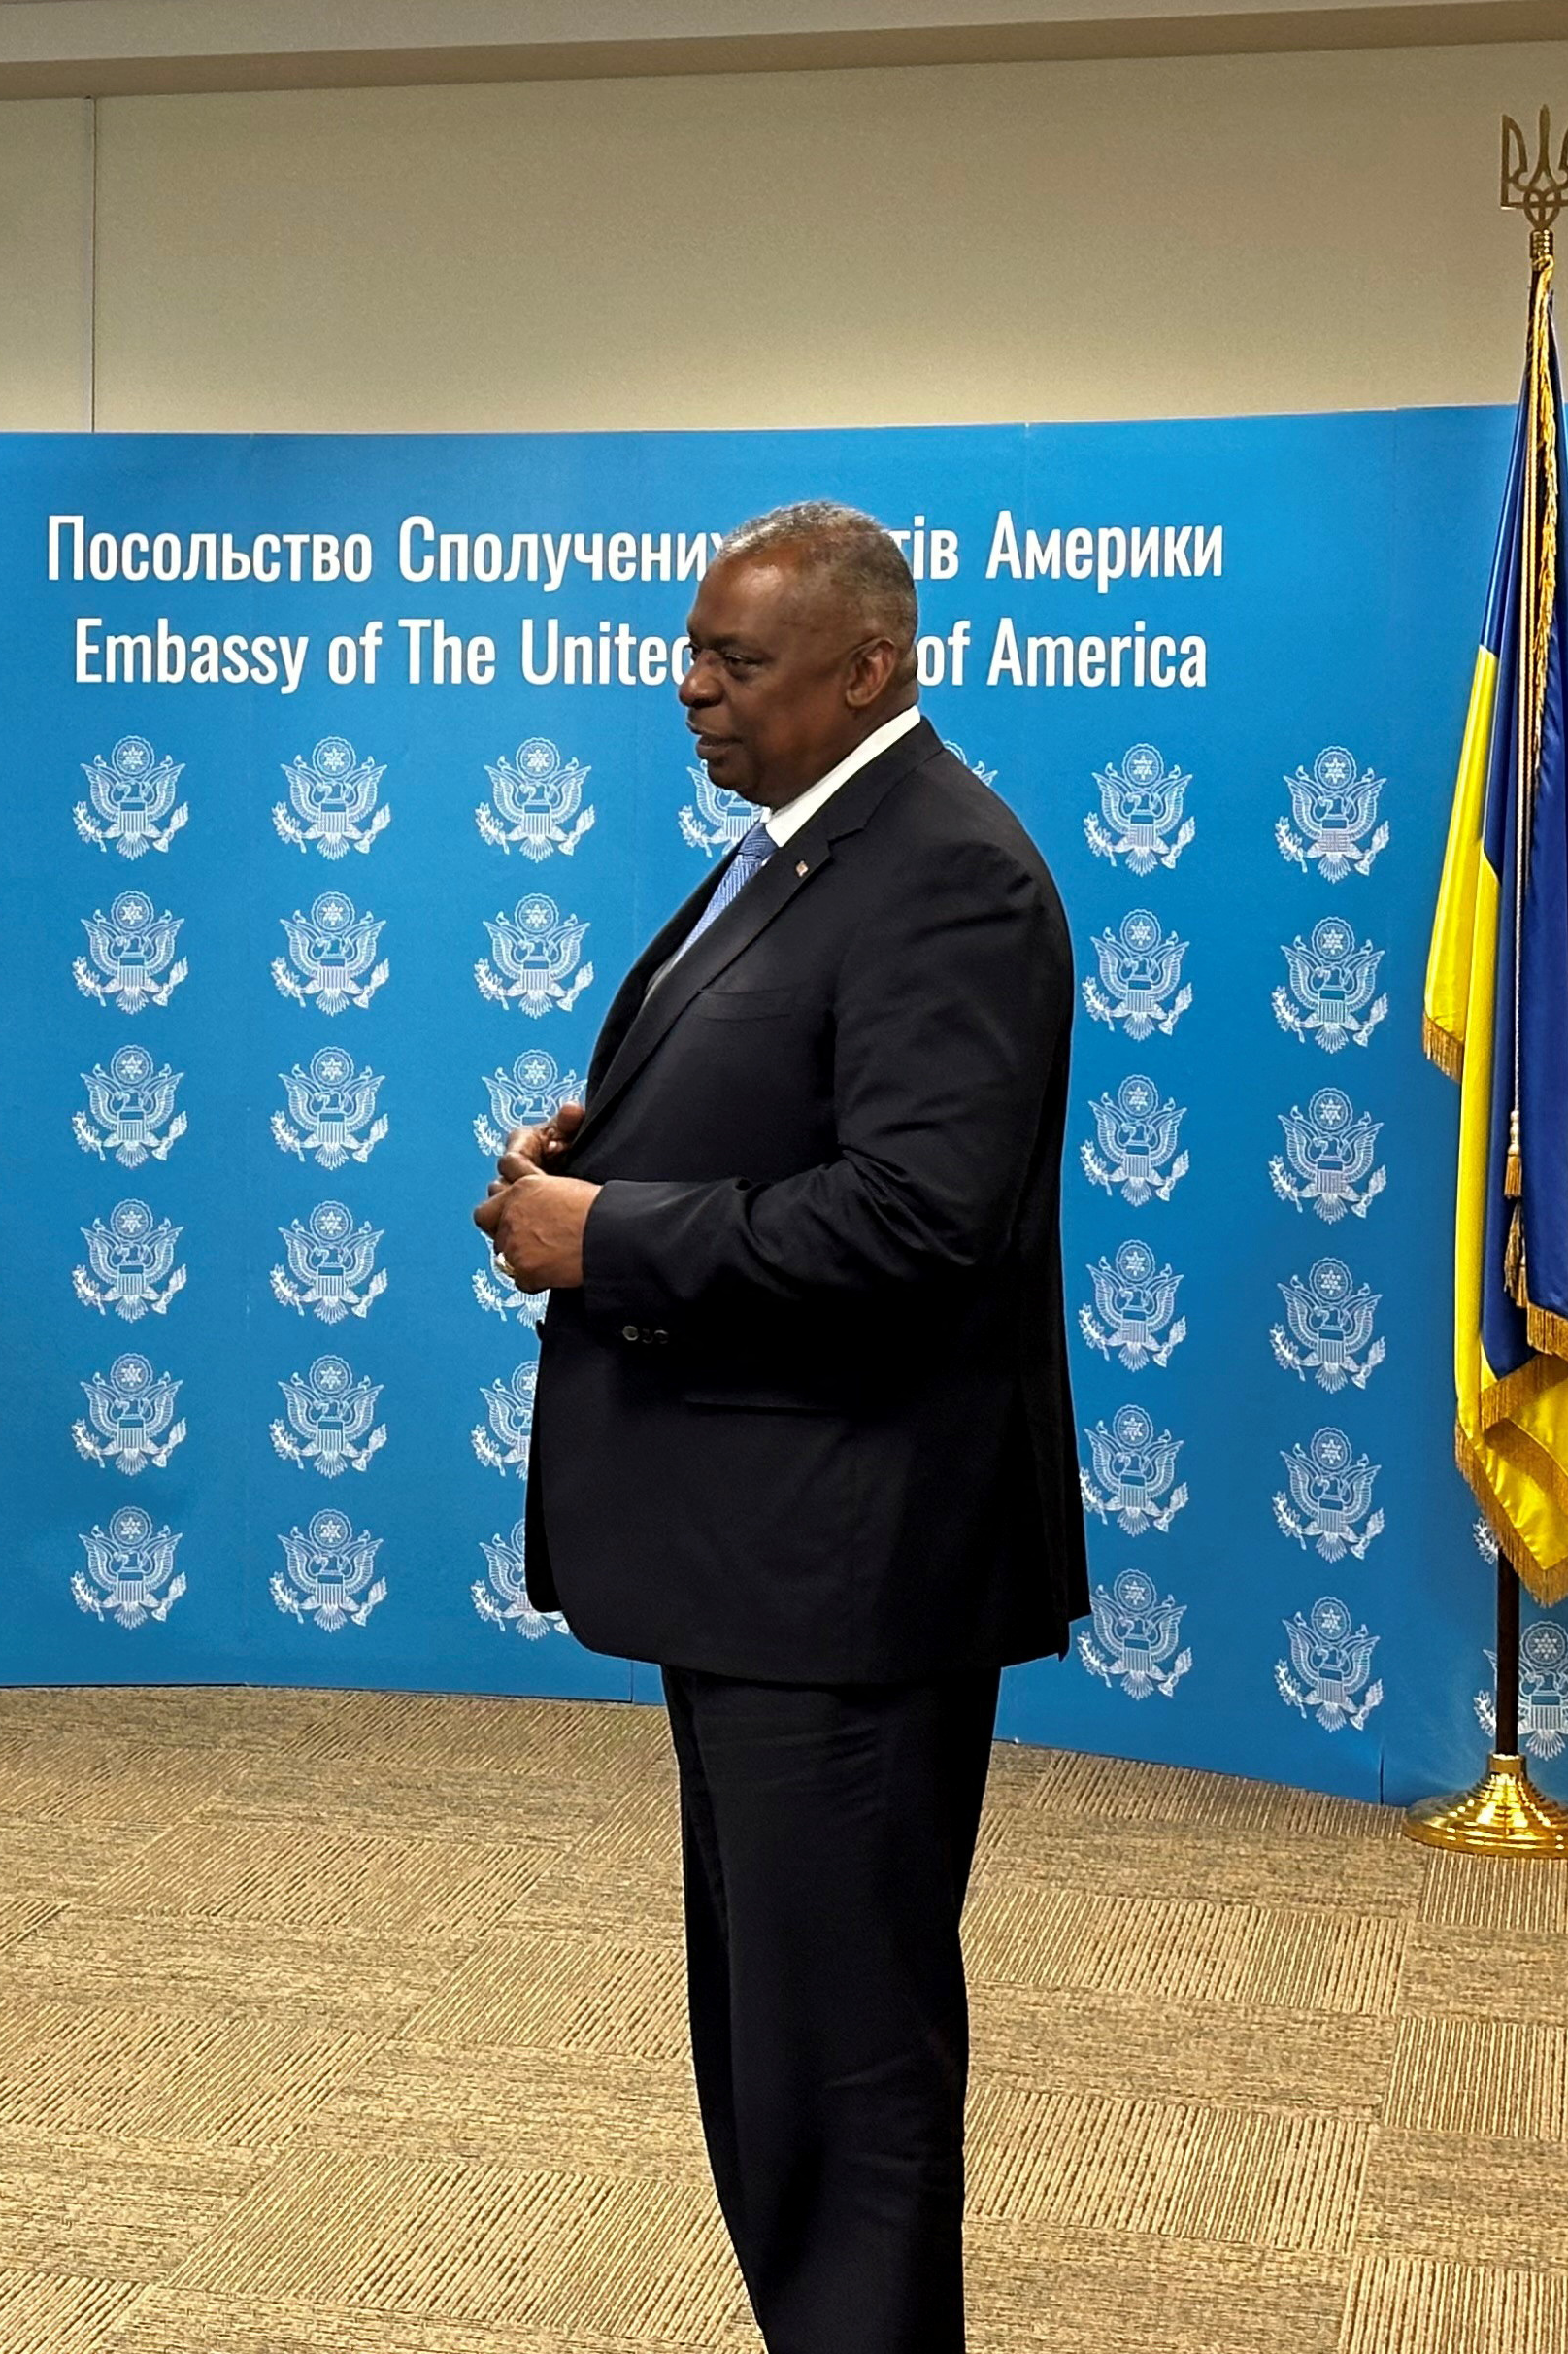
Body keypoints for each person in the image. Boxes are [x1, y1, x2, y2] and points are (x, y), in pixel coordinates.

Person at [474, 502, 1084, 2354]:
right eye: (690, 648)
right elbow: (795, 1114)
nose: (689, 687)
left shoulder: (949, 873)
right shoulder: (791, 855)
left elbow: (921, 1214)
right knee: (775, 2054)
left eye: (733, 659)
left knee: (846, 2074)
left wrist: (617, 1234)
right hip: (759, 1566)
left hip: (849, 1574)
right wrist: (606, 1152)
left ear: (867, 667)